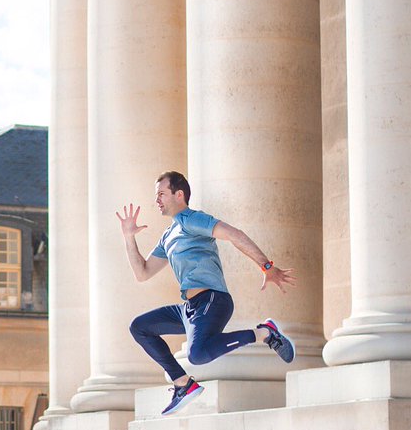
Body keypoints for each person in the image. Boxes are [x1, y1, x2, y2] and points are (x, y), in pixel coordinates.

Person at [117, 171, 297, 416]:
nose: (156, 200)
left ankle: (265, 333)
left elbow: (235, 235)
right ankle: (182, 383)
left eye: (161, 194)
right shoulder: (168, 236)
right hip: (190, 308)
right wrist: (128, 237)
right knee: (140, 327)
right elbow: (143, 273)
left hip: (213, 299)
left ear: (179, 195)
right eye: (155, 195)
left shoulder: (192, 219)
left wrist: (266, 266)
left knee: (198, 354)